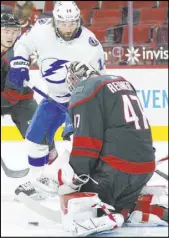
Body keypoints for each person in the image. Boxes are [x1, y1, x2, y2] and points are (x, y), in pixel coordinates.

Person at [7, 1, 106, 199]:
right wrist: (19, 64)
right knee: (35, 138)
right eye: (63, 23)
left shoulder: (90, 44)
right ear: (55, 21)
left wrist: (86, 109)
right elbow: (24, 44)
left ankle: (85, 180)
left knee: (80, 143)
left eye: (72, 23)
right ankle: (39, 182)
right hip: (53, 98)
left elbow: (100, 81)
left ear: (79, 20)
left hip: (80, 102)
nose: (68, 28)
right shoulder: (42, 29)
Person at [53, 61, 160, 235]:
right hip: (145, 168)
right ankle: (133, 211)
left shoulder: (85, 90)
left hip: (115, 171)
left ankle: (109, 215)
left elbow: (86, 145)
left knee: (77, 201)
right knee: (122, 205)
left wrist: (75, 178)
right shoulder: (121, 82)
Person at [1, 13, 58, 181]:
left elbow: (11, 95)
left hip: (21, 100)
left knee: (39, 136)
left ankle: (52, 170)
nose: (11, 35)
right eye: (6, 31)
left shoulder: (19, 53)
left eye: (14, 31)